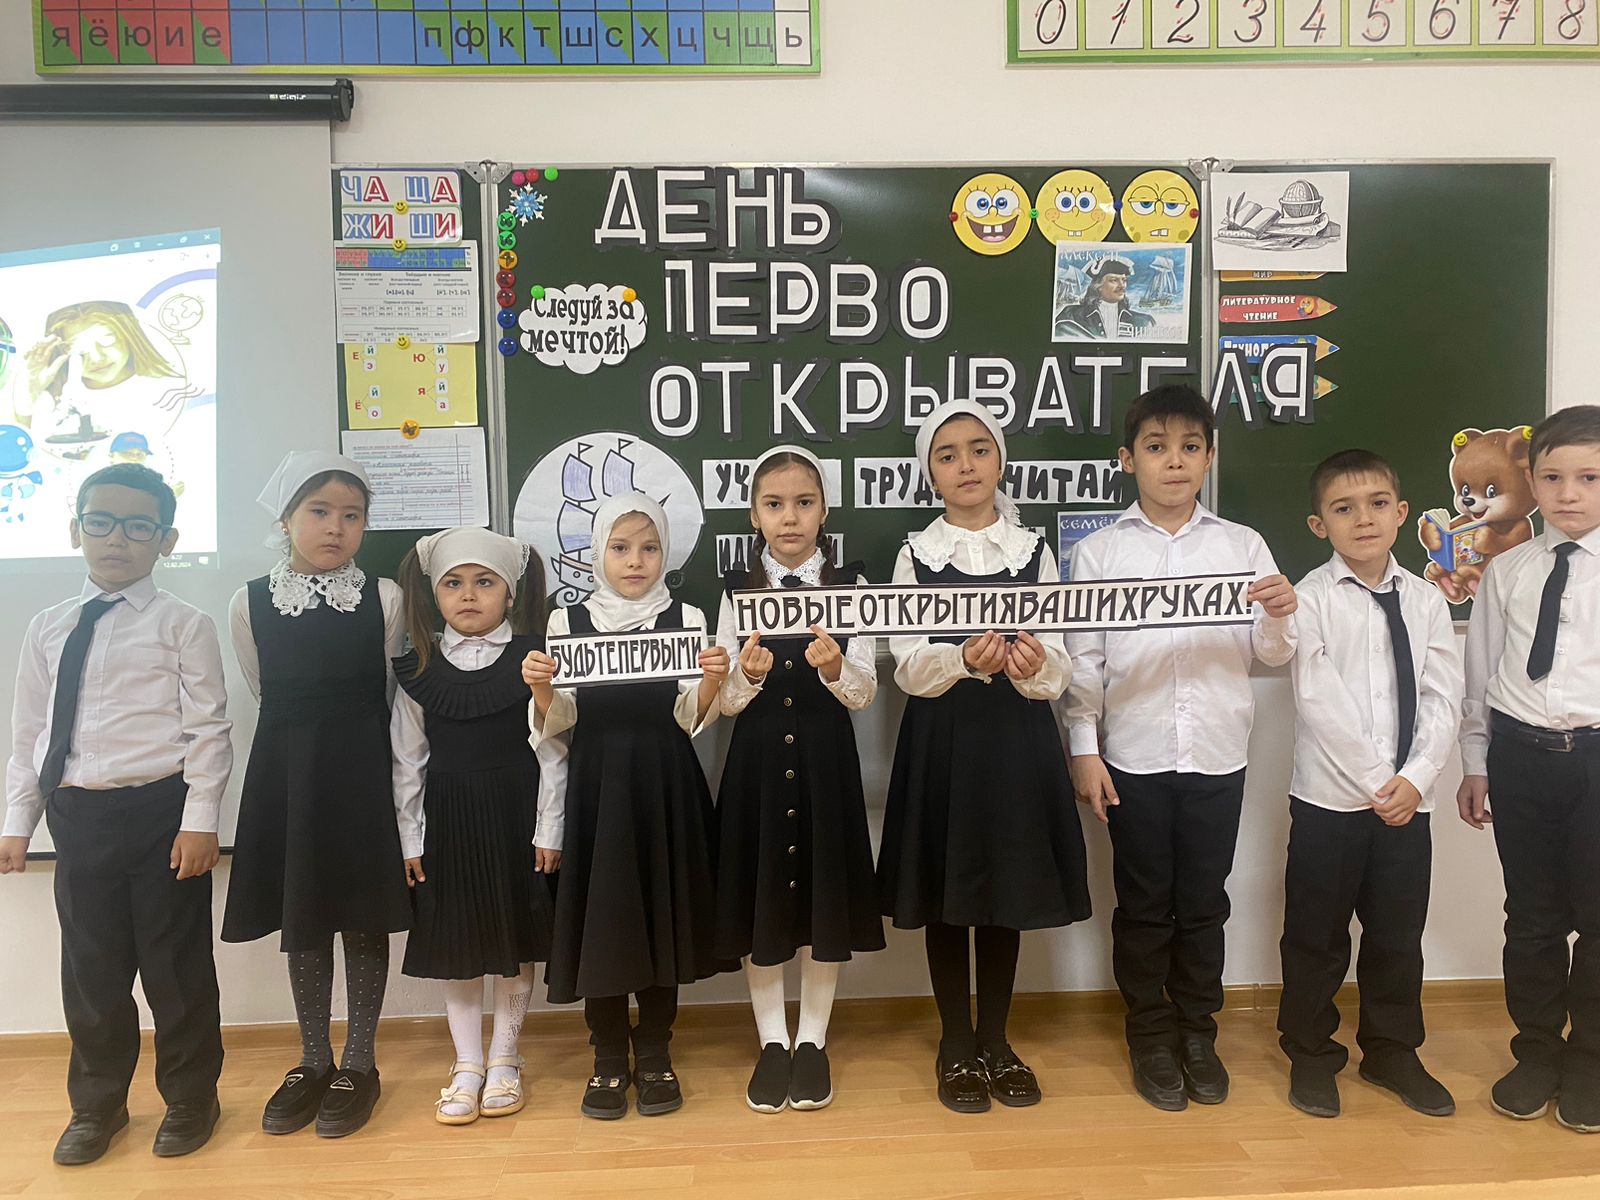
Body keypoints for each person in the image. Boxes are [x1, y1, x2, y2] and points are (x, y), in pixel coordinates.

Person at [1065, 383, 1298, 1112]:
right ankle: (1150, 1034)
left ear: (1209, 457)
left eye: (1189, 447)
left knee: (1203, 904)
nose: (1174, 462)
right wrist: (1083, 746)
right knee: (1142, 906)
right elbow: (1084, 659)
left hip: (1218, 755)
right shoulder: (1099, 554)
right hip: (1132, 756)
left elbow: (1272, 653)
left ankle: (1199, 1032)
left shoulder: (1242, 546)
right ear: (1127, 458)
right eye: (1157, 447)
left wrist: (1280, 615)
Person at [0, 463, 230, 1165]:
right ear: (76, 530)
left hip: (161, 813)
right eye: (100, 522)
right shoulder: (47, 627)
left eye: (138, 526)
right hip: (78, 816)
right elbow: (30, 732)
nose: (117, 539)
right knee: (91, 971)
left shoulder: (184, 624)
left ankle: (191, 1098)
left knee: (175, 969)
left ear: (166, 540)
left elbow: (209, 729)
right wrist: (17, 821)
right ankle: (98, 1105)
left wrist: (201, 819)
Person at [877, 399, 1092, 1114]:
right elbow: (908, 664)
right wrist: (965, 661)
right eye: (947, 455)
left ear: (1000, 461)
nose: (965, 465)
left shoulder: (1035, 552)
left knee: (1005, 893)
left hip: (1016, 743)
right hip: (943, 744)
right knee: (948, 894)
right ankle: (954, 1042)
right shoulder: (915, 555)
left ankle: (996, 1039)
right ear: (930, 473)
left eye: (978, 449)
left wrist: (1033, 666)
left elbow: (1059, 661)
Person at [522, 493, 730, 1120]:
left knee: (662, 917)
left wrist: (713, 679)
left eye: (649, 548)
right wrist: (541, 688)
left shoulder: (687, 617)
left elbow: (691, 717)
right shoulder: (568, 623)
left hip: (666, 787)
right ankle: (609, 1053)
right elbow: (559, 722)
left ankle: (657, 1049)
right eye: (620, 548)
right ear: (597, 553)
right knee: (603, 921)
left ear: (666, 554)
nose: (635, 561)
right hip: (596, 791)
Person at [223, 451, 411, 1139]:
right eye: (320, 511)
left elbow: (389, 689)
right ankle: (312, 1058)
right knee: (303, 911)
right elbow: (261, 687)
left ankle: (359, 1061)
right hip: (289, 774)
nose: (336, 527)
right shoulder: (248, 601)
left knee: (361, 913)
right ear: (286, 519)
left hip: (361, 771)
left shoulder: (384, 597)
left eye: (352, 515)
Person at [1278, 449, 1461, 1120]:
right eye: (1344, 508)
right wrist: (1379, 780)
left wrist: (1416, 777)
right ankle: (1310, 1053)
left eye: (1378, 504)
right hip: (1331, 800)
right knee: (1316, 936)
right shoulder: (1309, 599)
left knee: (1397, 935)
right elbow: (1318, 697)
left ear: (1402, 512)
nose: (1364, 519)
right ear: (1319, 524)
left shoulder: (1426, 599)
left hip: (1409, 804)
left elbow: (1443, 693)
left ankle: (1391, 1050)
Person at [712, 445, 885, 1114]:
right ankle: (772, 1042)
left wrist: (835, 668)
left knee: (823, 898)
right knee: (763, 898)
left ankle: (812, 1039)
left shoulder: (852, 587)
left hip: (825, 766)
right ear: (754, 515)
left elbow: (864, 693)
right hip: (756, 768)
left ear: (824, 511)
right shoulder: (736, 592)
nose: (790, 518)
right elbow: (723, 701)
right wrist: (746, 676)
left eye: (804, 503)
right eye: (775, 504)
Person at [391, 527, 564, 1126]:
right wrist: (410, 838)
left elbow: (554, 751)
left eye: (485, 582)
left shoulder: (534, 659)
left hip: (517, 814)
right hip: (447, 819)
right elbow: (407, 761)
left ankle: (506, 1057)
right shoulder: (419, 668)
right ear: (434, 594)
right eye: (454, 584)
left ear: (509, 593)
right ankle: (467, 1063)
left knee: (515, 939)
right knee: (457, 944)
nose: (468, 595)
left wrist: (549, 829)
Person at [1458, 404, 1600, 1133]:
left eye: (1589, 478)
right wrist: (1475, 761)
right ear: (1532, 481)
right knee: (1533, 918)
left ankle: (1592, 1061)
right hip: (1521, 755)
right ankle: (1537, 1051)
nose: (1568, 493)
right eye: (1552, 477)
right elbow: (1480, 673)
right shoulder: (1510, 570)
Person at [1055, 255, 1156, 341]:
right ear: (1098, 286)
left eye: (1124, 280)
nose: (1122, 285)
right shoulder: (1070, 315)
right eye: (1114, 280)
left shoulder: (1144, 322)